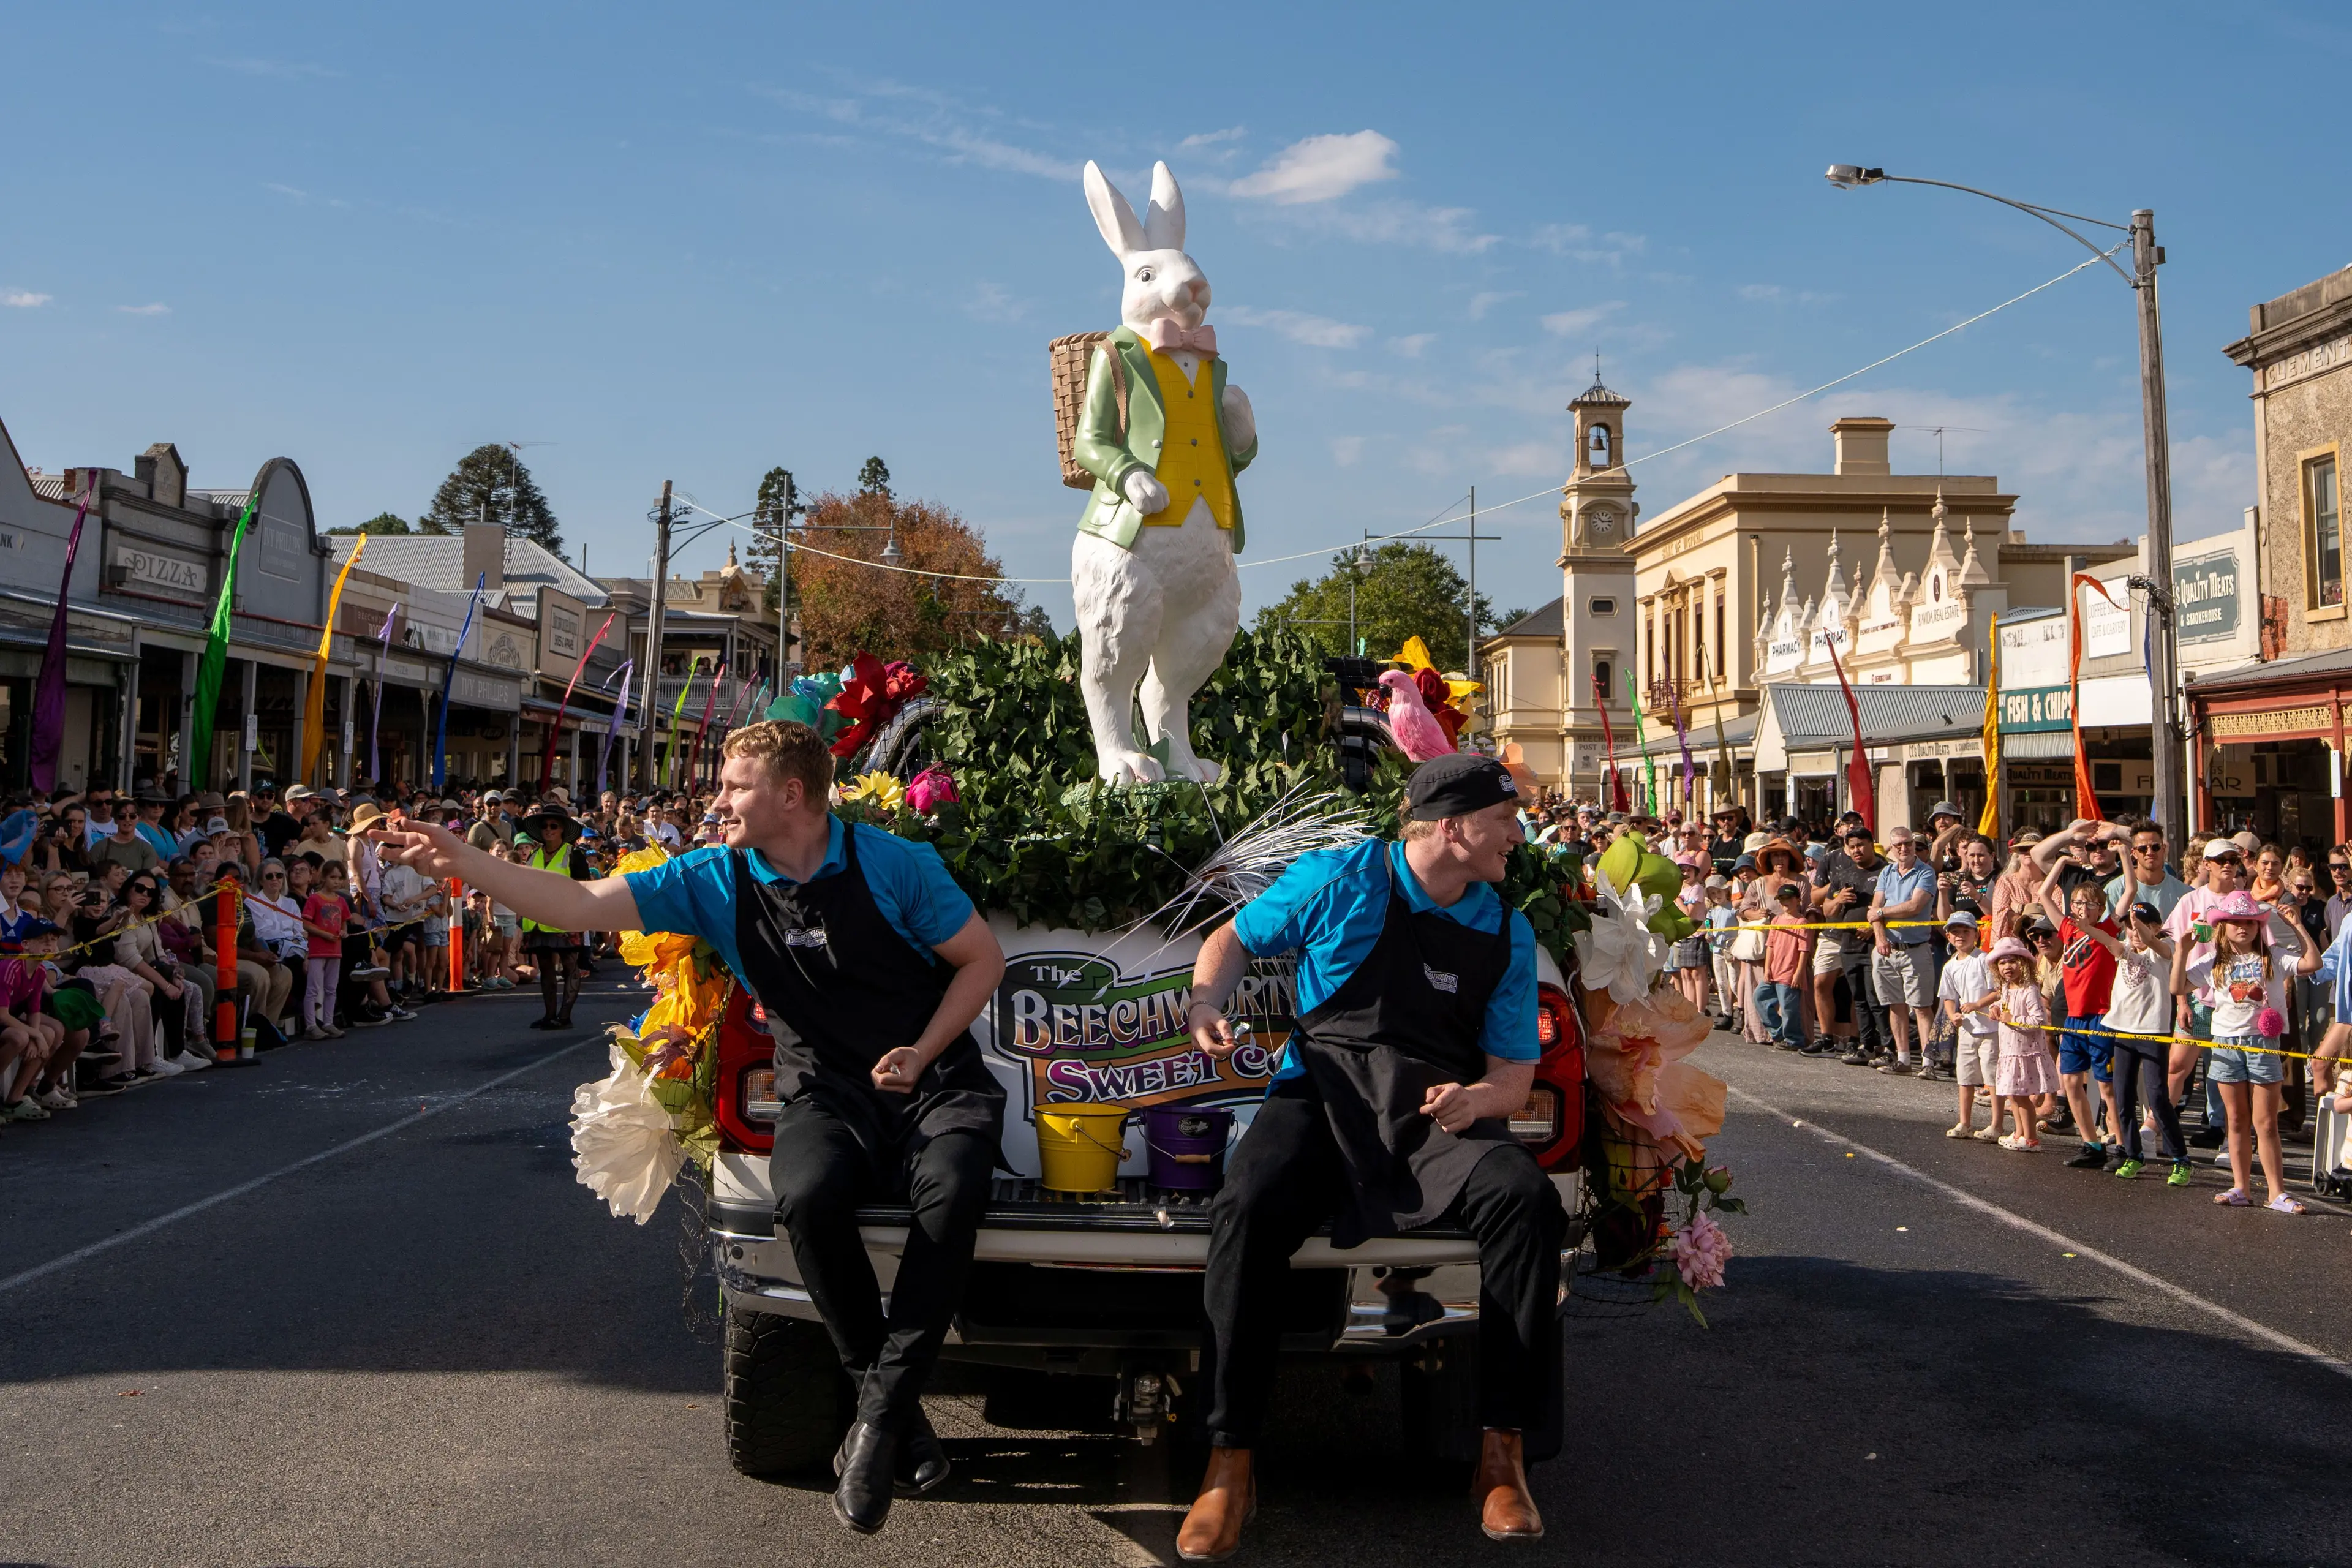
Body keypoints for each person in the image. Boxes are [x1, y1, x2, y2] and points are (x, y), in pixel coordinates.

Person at [367, 720, 1005, 1534]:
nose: (718, 799)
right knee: (805, 1197)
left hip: (934, 1083)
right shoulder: (712, 878)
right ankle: (892, 1415)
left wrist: (922, 1050)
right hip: (826, 1091)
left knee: (954, 1192)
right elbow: (577, 903)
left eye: (735, 785)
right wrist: (465, 861)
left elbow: (981, 958)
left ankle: (876, 1424)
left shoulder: (895, 864)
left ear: (792, 795)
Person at [1176, 754, 1562, 1555]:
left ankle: (1501, 1457)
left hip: (1432, 1119)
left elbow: (1514, 1078)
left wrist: (1476, 1100)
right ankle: (1229, 1464)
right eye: (1505, 819)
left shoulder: (1506, 929)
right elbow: (1232, 938)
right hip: (1320, 1100)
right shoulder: (1339, 879)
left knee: (1525, 1199)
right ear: (1452, 826)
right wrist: (1206, 1001)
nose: (1518, 835)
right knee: (1248, 1201)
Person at [2174, 890, 2318, 1212]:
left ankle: (2276, 1193)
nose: (2243, 927)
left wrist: (2297, 926)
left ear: (2259, 926)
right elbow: (2177, 986)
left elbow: (2312, 963)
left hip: (2263, 1044)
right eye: (2235, 922)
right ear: (2222, 927)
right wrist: (2182, 950)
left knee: (2265, 1122)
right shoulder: (2214, 961)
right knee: (2236, 1120)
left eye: (2250, 922)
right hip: (2225, 1043)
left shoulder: (2274, 956)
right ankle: (2241, 1188)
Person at [2093, 900, 2190, 1185]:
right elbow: (2106, 939)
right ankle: (2134, 1156)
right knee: (2123, 1096)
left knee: (2157, 1097)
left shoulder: (2164, 950)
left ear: (2156, 928)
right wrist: (2086, 926)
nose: (2134, 932)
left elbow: (2153, 943)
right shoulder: (2124, 950)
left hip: (2153, 1034)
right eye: (2130, 927)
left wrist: (2142, 929)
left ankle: (2181, 1159)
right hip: (2123, 1032)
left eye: (2142, 926)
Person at [1867, 826, 1937, 1074]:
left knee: (1921, 1007)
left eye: (1908, 843)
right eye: (1898, 845)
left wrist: (1882, 912)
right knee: (1895, 1005)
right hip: (1886, 949)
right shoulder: (1886, 872)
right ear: (1892, 848)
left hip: (1915, 949)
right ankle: (1904, 1060)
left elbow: (1914, 907)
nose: (1904, 848)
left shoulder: (1926, 872)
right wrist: (1880, 937)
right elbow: (1873, 911)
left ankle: (1928, 1063)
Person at [1988, 937, 2058, 1150]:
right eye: (2002, 963)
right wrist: (1995, 1008)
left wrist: (2013, 1019)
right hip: (2009, 1051)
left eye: (2013, 961)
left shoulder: (2030, 990)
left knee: (2022, 1097)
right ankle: (2019, 1133)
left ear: (2024, 964)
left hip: (2024, 1053)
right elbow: (2003, 1004)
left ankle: (2031, 1138)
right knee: (2013, 1095)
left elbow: (2038, 1021)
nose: (2007, 967)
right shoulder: (2008, 988)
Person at [1937, 912, 2000, 1140]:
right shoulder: (1950, 967)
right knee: (1965, 1077)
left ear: (1976, 934)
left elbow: (1998, 991)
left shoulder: (1984, 959)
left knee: (1992, 1078)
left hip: (1990, 1029)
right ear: (1948, 936)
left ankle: (1996, 1125)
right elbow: (1948, 997)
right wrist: (1952, 1015)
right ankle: (1964, 1122)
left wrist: (1977, 1004)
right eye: (1955, 932)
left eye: (1966, 931)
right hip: (1967, 1029)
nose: (1960, 936)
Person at [1755, 883, 1812, 1050]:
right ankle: (1779, 1032)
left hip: (1790, 972)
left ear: (1798, 900)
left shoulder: (1802, 922)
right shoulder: (1776, 920)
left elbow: (1804, 950)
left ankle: (1794, 1039)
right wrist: (1767, 968)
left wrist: (1799, 973)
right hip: (1774, 971)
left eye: (1788, 898)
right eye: (1782, 899)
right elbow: (1770, 946)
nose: (1785, 902)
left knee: (1788, 1008)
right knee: (1759, 997)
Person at [302, 862, 353, 1039]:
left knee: (331, 988)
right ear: (324, 878)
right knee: (313, 989)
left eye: (340, 878)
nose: (337, 882)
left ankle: (328, 1023)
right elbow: (306, 923)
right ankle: (311, 1025)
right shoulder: (314, 899)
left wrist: (344, 931)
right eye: (333, 877)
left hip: (335, 951)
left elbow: (344, 922)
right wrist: (324, 934)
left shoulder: (341, 901)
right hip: (317, 950)